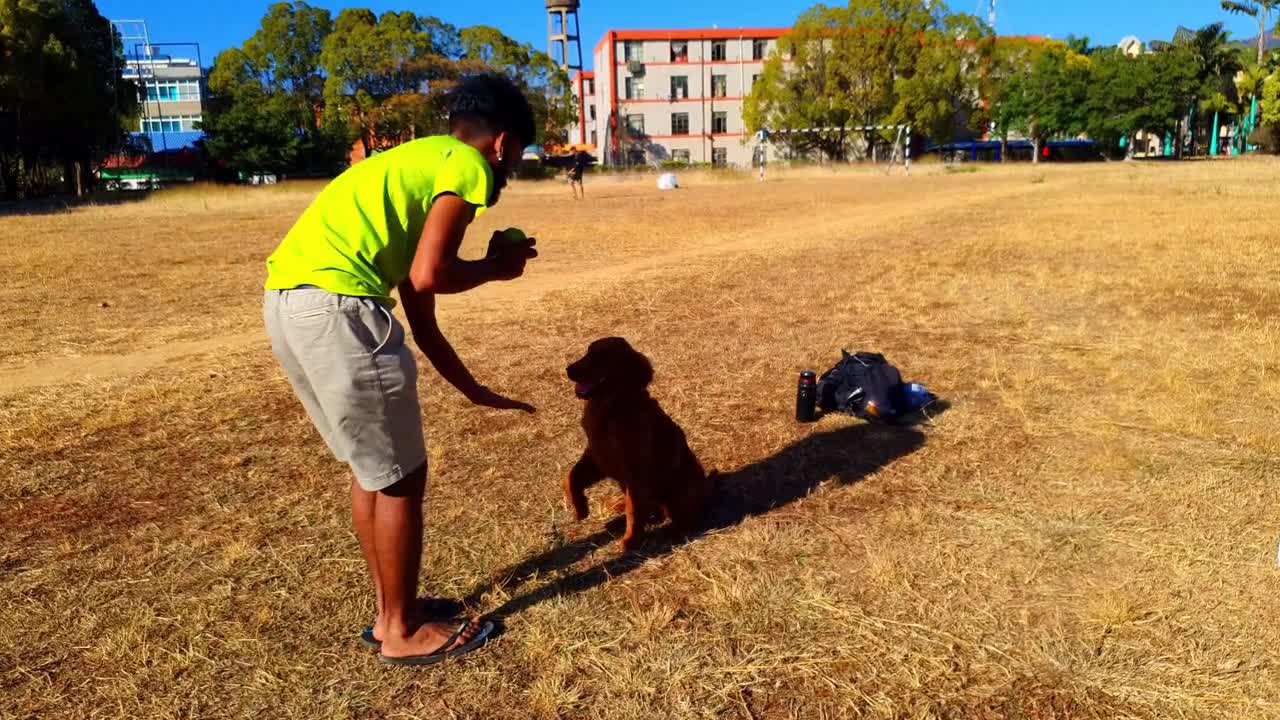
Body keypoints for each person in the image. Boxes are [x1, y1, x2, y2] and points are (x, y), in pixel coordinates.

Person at [262, 74, 538, 666]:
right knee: (401, 479)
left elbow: (419, 301)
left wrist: (474, 389)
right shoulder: (470, 167)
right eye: (517, 156)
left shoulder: (415, 161)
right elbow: (432, 276)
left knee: (375, 470)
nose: (511, 171)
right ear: (501, 143)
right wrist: (496, 269)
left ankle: (393, 607)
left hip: (289, 302)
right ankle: (400, 630)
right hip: (339, 307)